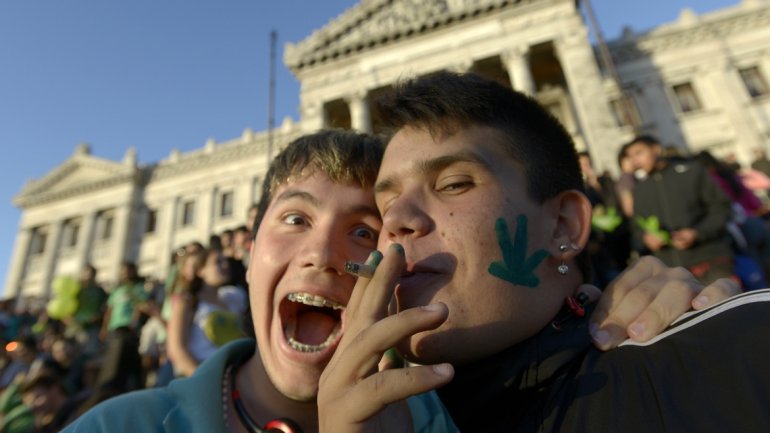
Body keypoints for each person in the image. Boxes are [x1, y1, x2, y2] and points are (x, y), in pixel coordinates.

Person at [63, 130, 735, 433]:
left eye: (364, 230)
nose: (322, 254)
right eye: (294, 216)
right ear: (247, 247)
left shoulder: (449, 412)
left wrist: (600, 301)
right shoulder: (120, 426)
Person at [316, 71, 766, 433]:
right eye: (385, 207)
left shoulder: (741, 357)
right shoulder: (385, 421)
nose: (397, 222)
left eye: (453, 184)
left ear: (563, 226)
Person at [624, 136, 736, 285]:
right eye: (631, 156)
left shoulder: (692, 172)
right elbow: (636, 227)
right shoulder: (639, 190)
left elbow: (721, 209)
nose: (635, 160)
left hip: (711, 260)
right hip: (671, 273)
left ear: (656, 149)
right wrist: (645, 238)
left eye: (639, 153)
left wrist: (697, 233)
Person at [166, 248, 247, 378]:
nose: (225, 265)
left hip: (232, 375)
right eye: (218, 262)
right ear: (200, 271)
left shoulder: (232, 298)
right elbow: (176, 349)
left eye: (225, 261)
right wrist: (202, 379)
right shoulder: (188, 301)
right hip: (202, 375)